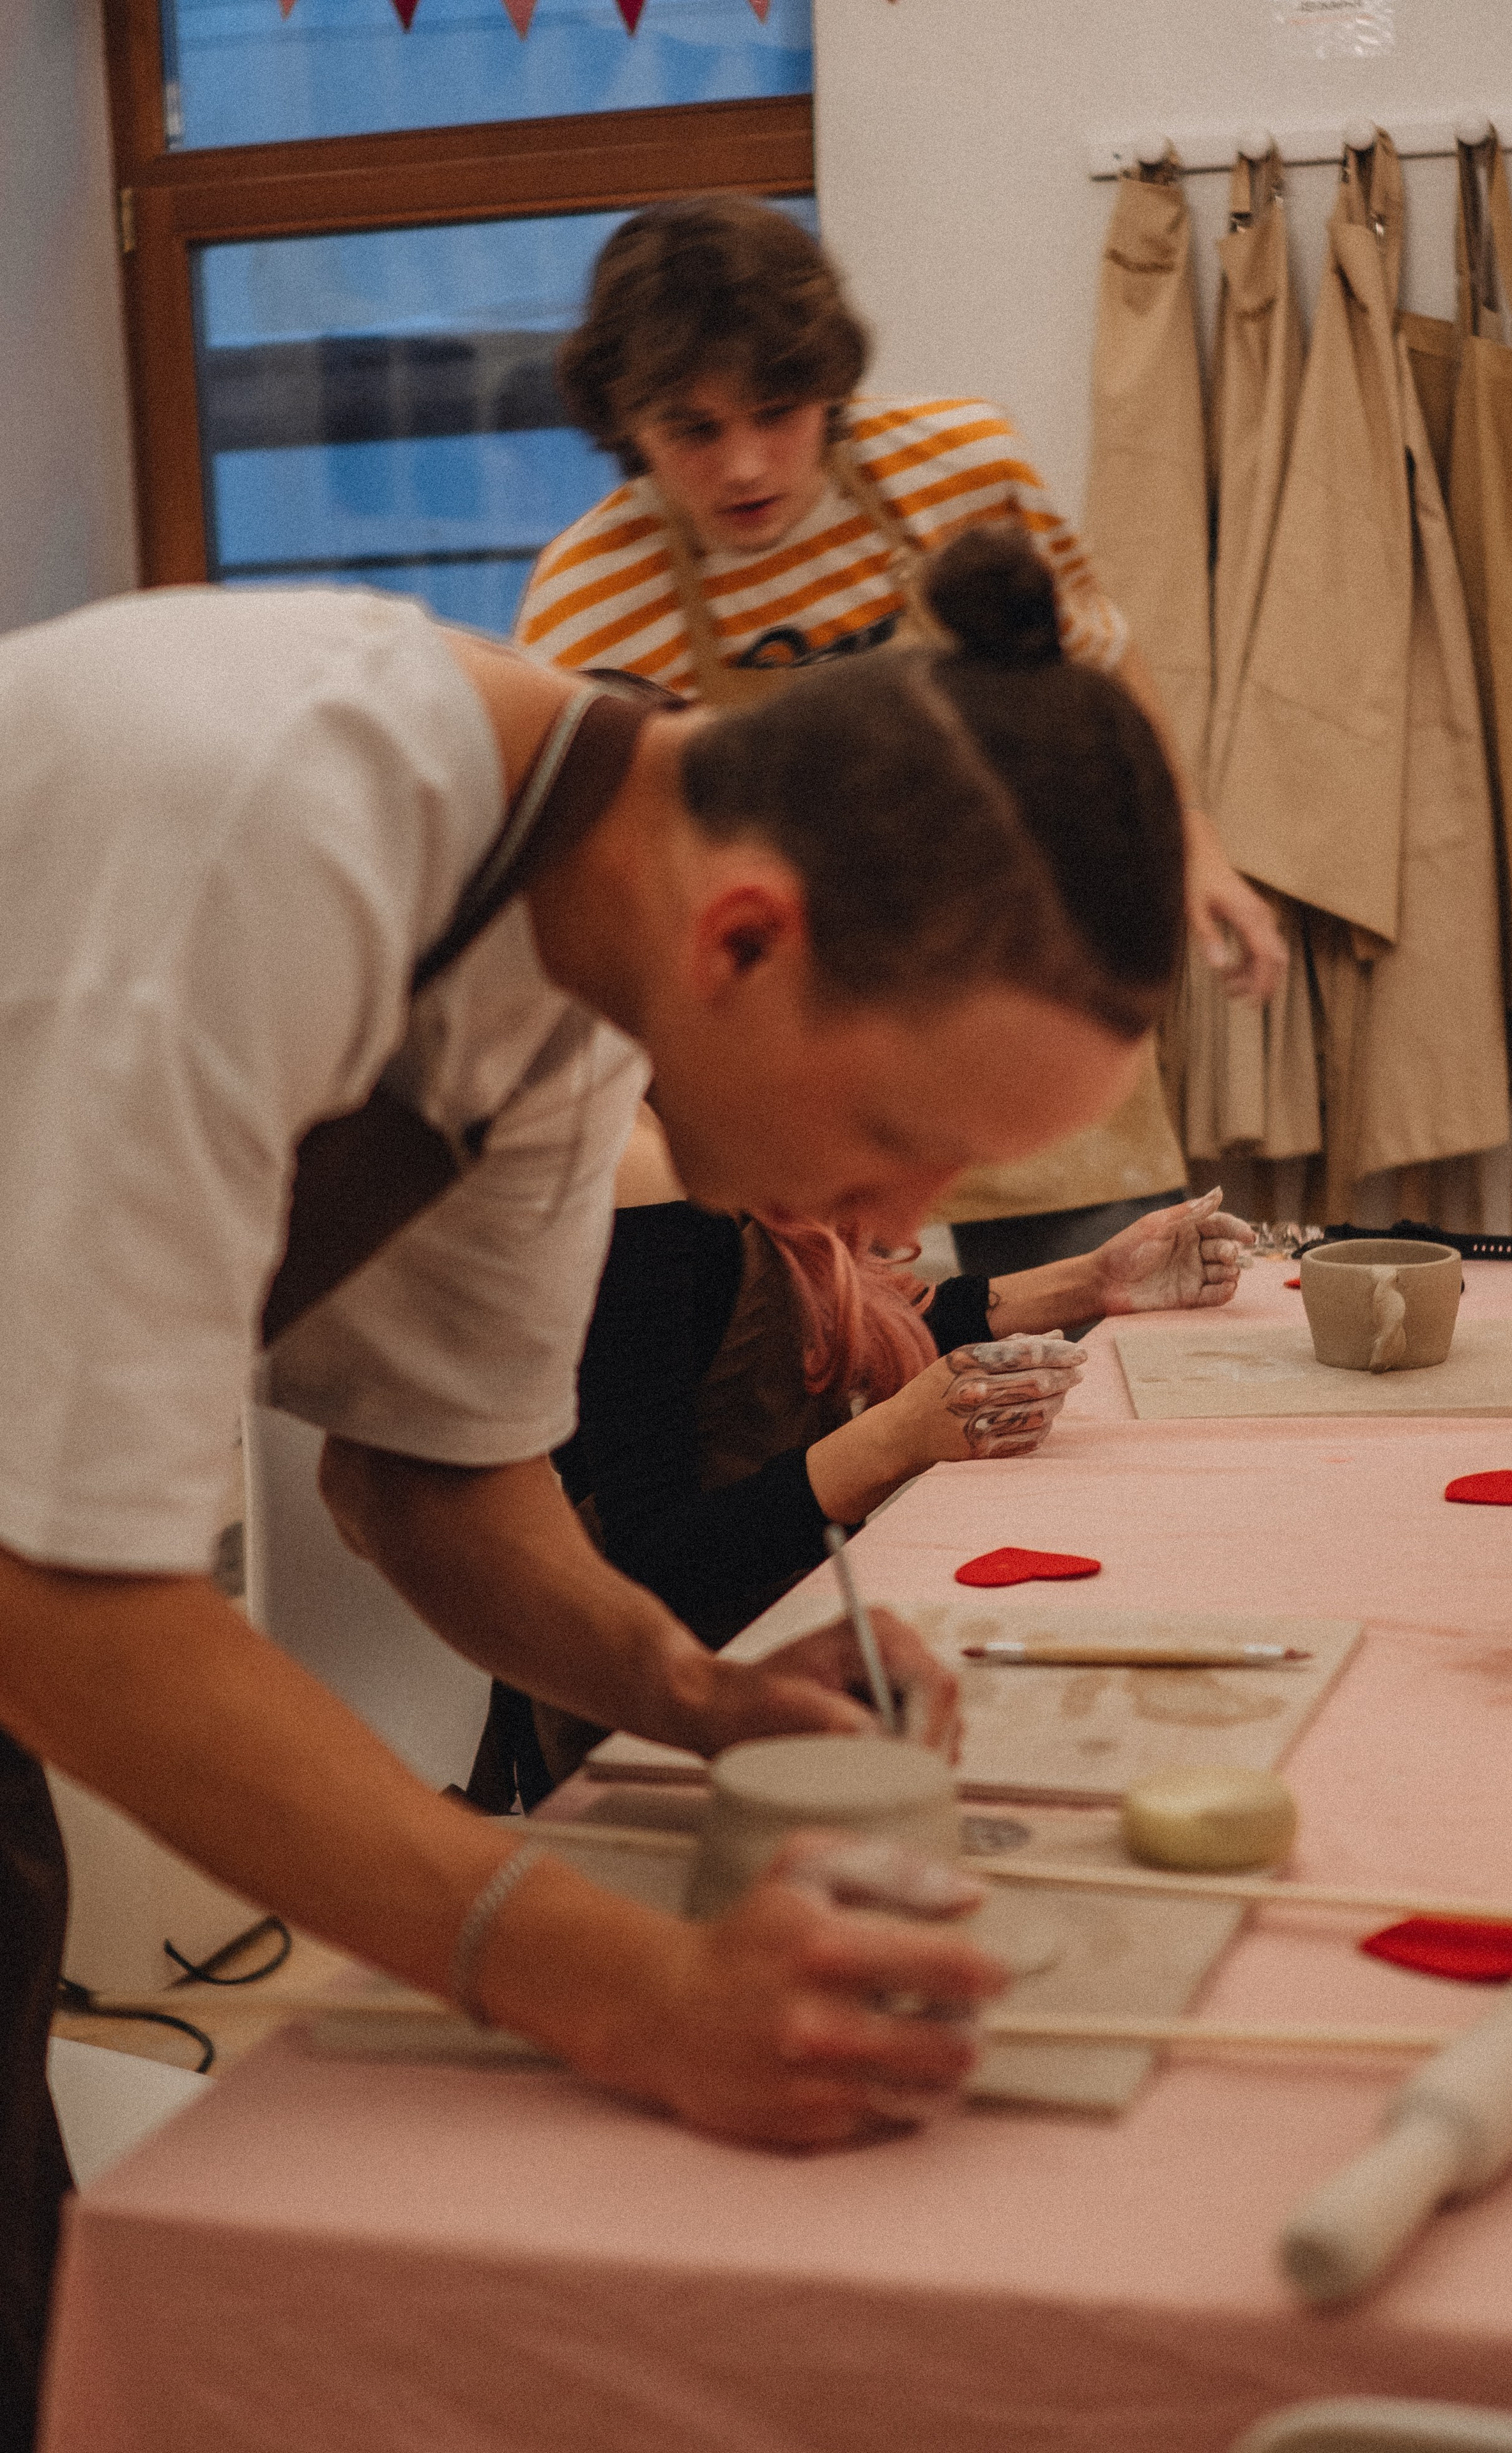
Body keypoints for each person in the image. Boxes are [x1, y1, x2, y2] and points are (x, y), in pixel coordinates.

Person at [0, 524, 1182, 2447]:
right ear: (748, 937)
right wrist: (628, 1986)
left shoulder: (568, 966)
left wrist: (698, 1691)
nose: (898, 1231)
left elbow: (433, 1481)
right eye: (896, 1142)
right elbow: (55, 1607)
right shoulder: (265, 821)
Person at [515, 192, 1287, 1275]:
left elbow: (1099, 663)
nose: (744, 466)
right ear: (623, 423)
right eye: (692, 430)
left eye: (777, 411)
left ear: (830, 389)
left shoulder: (961, 466)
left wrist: (1193, 841)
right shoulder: (591, 597)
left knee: (1116, 1346)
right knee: (880, 1396)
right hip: (817, 1080)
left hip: (1031, 1010)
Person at [474, 1107, 1253, 1809]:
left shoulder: (734, 1138)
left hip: (779, 1629)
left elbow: (859, 1328)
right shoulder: (645, 1178)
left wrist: (1095, 1280)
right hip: (659, 1696)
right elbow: (652, 1556)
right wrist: (894, 1438)